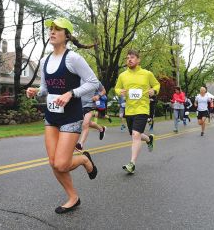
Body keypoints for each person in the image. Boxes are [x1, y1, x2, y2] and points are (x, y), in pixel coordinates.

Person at [26, 17, 98, 214]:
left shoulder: (73, 58)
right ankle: (73, 197)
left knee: (62, 163)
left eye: (58, 29)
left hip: (71, 117)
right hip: (52, 117)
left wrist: (71, 93)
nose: (52, 32)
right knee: (53, 163)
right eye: (51, 29)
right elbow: (45, 88)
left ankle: (83, 160)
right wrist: (36, 92)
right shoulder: (44, 61)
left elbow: (93, 82)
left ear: (66, 35)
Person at [115, 49, 160, 174]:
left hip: (142, 109)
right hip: (129, 110)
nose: (129, 59)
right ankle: (149, 140)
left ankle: (132, 163)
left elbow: (156, 85)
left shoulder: (147, 74)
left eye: (132, 57)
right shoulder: (123, 75)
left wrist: (154, 91)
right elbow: (117, 88)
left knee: (135, 135)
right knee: (136, 135)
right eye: (128, 57)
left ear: (138, 60)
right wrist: (120, 92)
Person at [76, 82, 107, 151]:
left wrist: (98, 96)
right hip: (78, 105)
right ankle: (101, 129)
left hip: (89, 105)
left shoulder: (94, 80)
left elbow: (103, 90)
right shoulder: (76, 78)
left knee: (85, 124)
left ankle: (80, 144)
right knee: (88, 123)